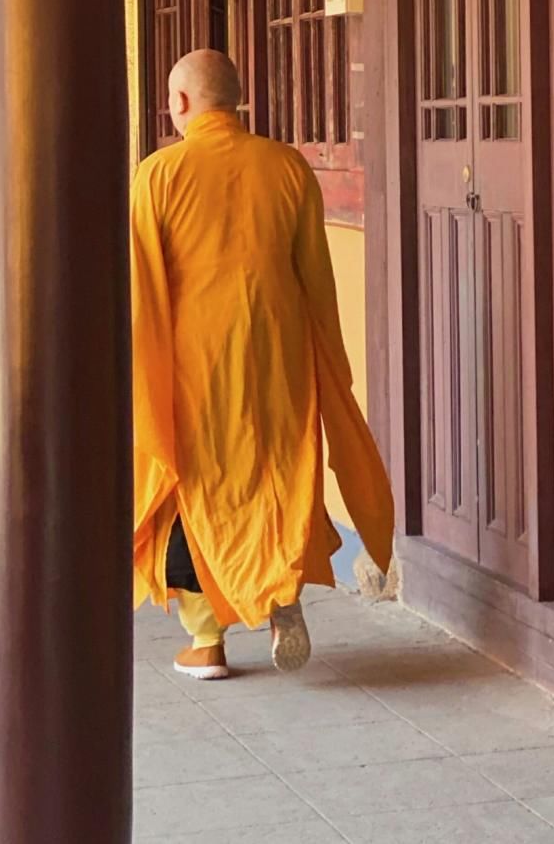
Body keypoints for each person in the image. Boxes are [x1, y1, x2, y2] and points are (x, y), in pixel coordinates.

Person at [131, 50, 394, 682]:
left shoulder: (158, 174)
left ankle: (207, 641)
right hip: (277, 358)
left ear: (183, 104)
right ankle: (280, 596)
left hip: (197, 368)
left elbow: (141, 290)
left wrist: (138, 378)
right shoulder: (288, 168)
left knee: (191, 492)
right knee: (276, 477)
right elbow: (315, 279)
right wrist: (327, 360)